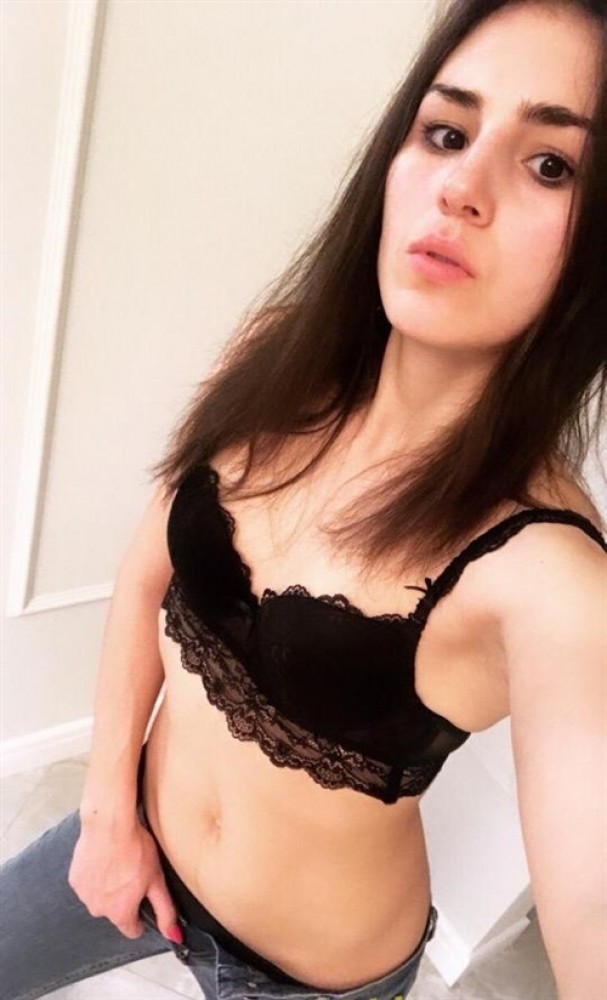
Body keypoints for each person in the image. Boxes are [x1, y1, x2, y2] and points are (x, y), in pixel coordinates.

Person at [2, 0, 606, 997]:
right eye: (446, 131)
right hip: (129, 827)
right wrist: (108, 807)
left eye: (551, 164)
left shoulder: (550, 575)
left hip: (306, 978)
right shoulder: (275, 356)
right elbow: (146, 573)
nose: (460, 187)